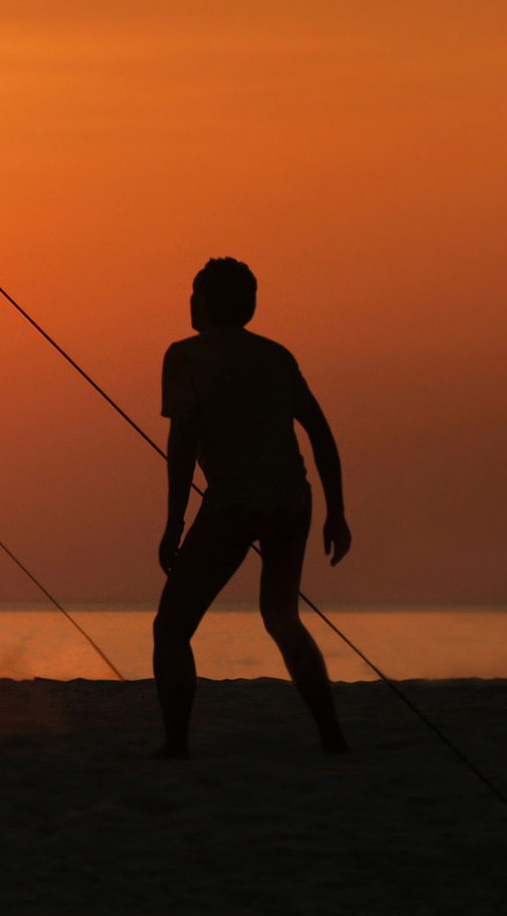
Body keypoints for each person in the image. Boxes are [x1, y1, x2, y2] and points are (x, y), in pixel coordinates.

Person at [153, 257, 351, 758]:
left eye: (194, 292)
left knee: (171, 627)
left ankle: (176, 747)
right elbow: (320, 434)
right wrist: (335, 512)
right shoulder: (276, 355)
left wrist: (174, 525)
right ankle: (332, 739)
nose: (189, 301)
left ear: (207, 301)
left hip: (234, 504)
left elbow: (182, 444)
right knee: (283, 618)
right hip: (292, 499)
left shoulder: (184, 356)